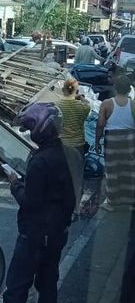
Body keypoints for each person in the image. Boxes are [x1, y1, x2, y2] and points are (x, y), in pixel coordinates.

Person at [0, 103, 77, 303]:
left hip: (35, 235)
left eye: (30, 127)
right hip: (57, 233)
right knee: (48, 288)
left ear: (40, 129)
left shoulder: (40, 161)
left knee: (16, 289)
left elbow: (31, 201)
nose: (28, 131)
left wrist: (16, 184)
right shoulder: (68, 154)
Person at [95, 75, 135, 211]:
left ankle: (112, 202)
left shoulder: (106, 103)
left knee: (112, 171)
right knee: (129, 170)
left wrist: (96, 142)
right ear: (129, 89)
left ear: (115, 87)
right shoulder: (133, 104)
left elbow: (100, 125)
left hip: (112, 140)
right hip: (130, 140)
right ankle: (130, 202)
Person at [58, 78, 91, 216]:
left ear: (64, 91)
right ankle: (76, 208)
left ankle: (61, 205)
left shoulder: (57, 105)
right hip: (77, 146)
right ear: (76, 92)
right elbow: (88, 105)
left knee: (61, 177)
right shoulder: (82, 107)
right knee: (77, 178)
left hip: (62, 146)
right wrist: (81, 97)